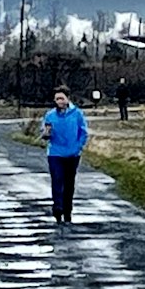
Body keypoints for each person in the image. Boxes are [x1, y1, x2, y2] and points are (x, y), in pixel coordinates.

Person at [41, 85, 89, 224]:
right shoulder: (50, 115)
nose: (59, 101)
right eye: (57, 99)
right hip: (55, 153)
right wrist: (46, 133)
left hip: (73, 154)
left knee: (69, 183)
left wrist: (78, 147)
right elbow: (43, 133)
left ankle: (68, 210)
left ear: (68, 98)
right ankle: (57, 208)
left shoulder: (77, 114)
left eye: (62, 98)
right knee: (57, 179)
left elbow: (83, 132)